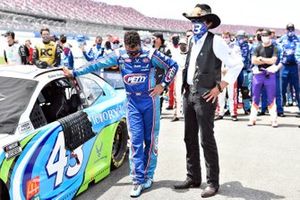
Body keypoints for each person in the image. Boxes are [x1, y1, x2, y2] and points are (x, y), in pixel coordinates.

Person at [63, 31, 178, 198]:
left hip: (150, 101)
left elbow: (173, 66)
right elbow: (95, 64)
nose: (133, 54)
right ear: (125, 46)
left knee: (150, 141)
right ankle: (137, 180)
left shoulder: (150, 54)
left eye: (135, 51)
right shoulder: (118, 55)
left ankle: (149, 175)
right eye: (130, 51)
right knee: (136, 141)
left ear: (140, 45)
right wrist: (74, 73)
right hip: (132, 103)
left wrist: (163, 85)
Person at [173, 4, 243, 198]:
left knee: (206, 139)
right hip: (189, 94)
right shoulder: (191, 40)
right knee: (189, 137)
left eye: (199, 20)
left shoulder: (217, 41)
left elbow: (237, 64)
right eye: (193, 21)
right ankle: (193, 177)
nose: (195, 24)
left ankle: (213, 182)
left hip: (205, 96)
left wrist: (220, 86)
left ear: (209, 22)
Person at [249, 29, 279, 127]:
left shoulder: (274, 47)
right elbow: (253, 61)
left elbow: (273, 61)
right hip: (258, 75)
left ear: (270, 36)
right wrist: (266, 61)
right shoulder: (257, 47)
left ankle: (273, 119)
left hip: (269, 75)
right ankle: (252, 119)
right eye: (262, 36)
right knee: (255, 97)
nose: (264, 37)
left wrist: (261, 59)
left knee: (271, 97)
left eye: (266, 35)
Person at [277, 23, 300, 116]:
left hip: (294, 66)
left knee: (297, 89)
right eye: (288, 29)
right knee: (282, 89)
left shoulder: (298, 38)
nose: (290, 30)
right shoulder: (282, 38)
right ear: (286, 29)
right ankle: (280, 110)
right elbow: (276, 47)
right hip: (284, 66)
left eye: (292, 29)